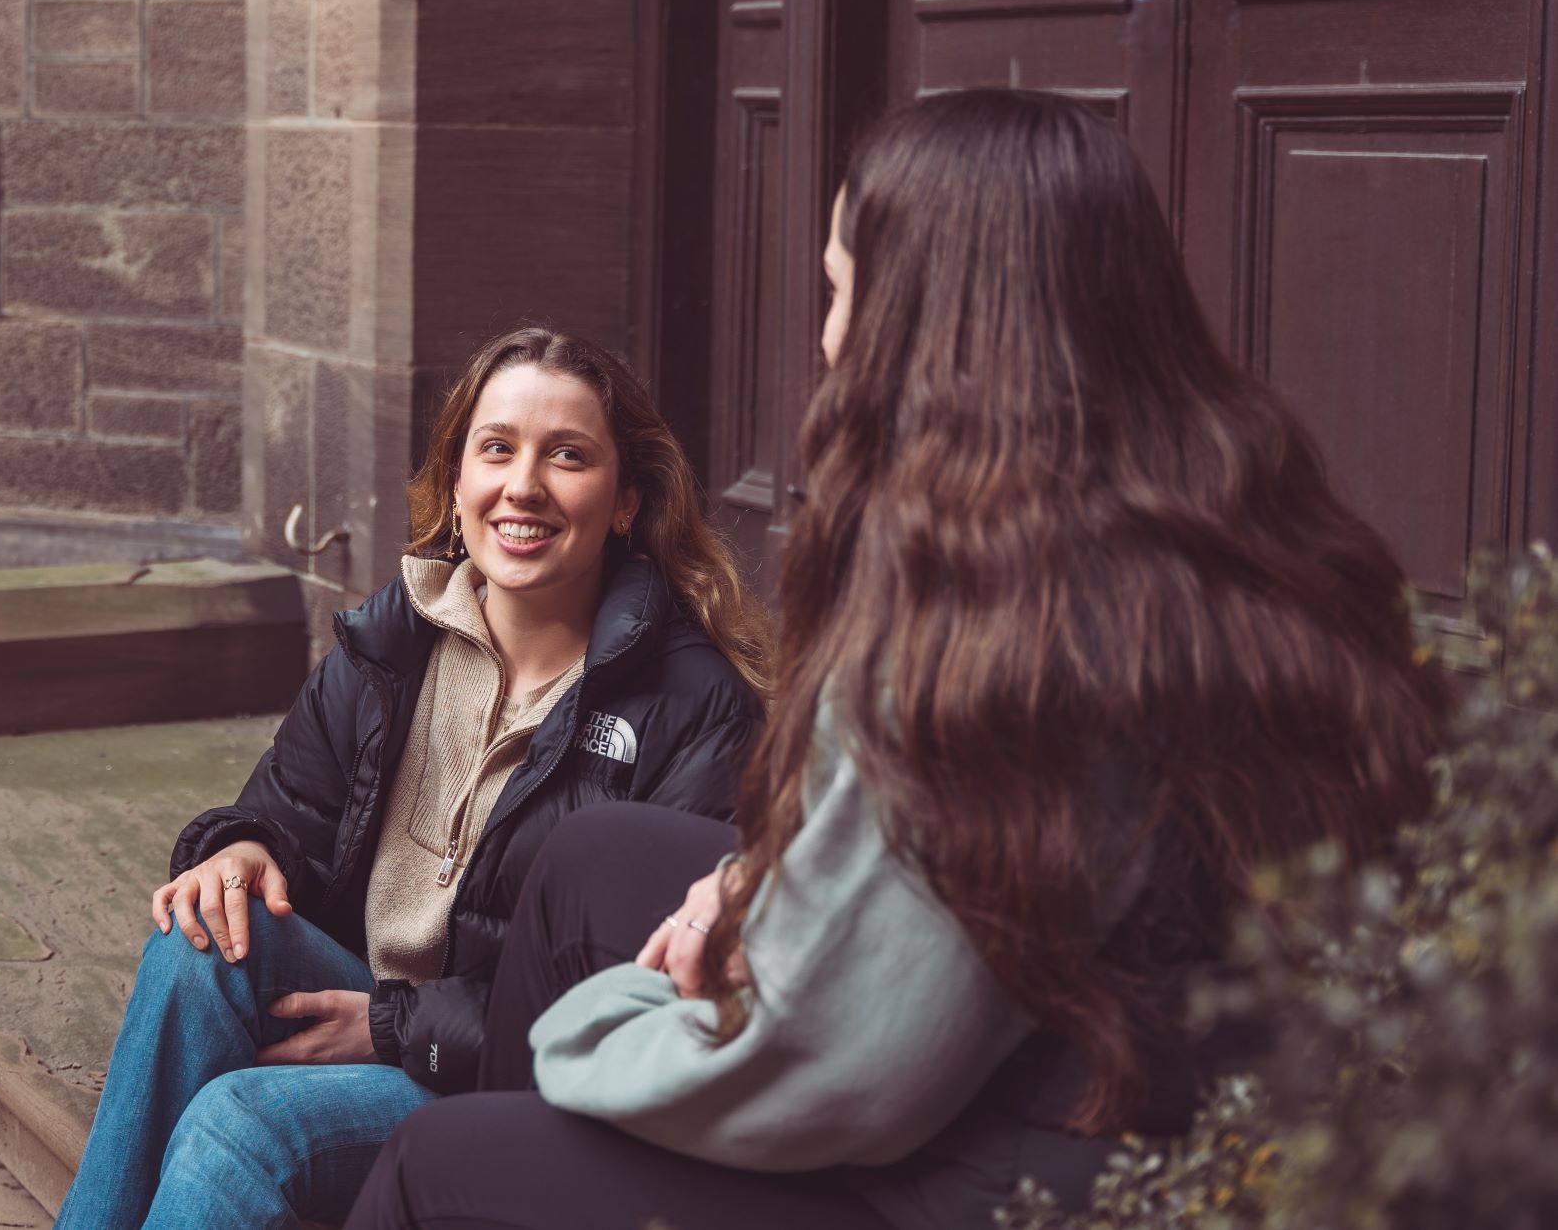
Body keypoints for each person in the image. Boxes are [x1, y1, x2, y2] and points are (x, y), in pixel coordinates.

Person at [345, 90, 1449, 1230]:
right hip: (1128, 1088)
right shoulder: (1220, 527)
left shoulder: (995, 633)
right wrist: (753, 881)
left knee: (439, 1161)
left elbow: (839, 1073)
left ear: (927, 327)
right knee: (596, 852)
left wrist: (605, 1031)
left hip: (1026, 1182)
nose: (825, 336)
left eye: (838, 290)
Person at [53, 328, 772, 1230]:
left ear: (625, 501)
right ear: (458, 481)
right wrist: (240, 848)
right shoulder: (391, 643)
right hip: (363, 997)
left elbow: (641, 990)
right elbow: (286, 814)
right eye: (497, 448)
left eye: (569, 456)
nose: (525, 485)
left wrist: (398, 1028)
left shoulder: (694, 704)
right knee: (201, 937)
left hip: (514, 1083)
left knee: (238, 1123)